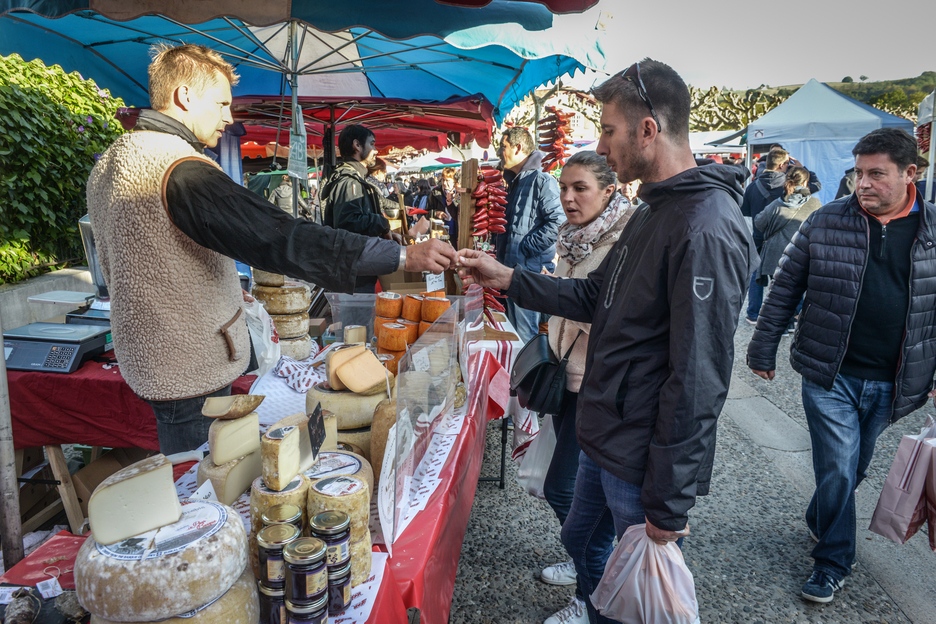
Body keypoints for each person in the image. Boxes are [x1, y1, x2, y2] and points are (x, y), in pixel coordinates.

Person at [458, 59, 756, 624]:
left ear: (650, 129)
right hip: (607, 430)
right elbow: (597, 295)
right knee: (579, 534)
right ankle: (591, 606)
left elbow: (700, 375)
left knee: (636, 592)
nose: (603, 144)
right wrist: (508, 278)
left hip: (640, 451)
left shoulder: (705, 224)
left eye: (611, 130)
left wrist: (669, 499)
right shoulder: (652, 211)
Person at [86, 43, 456, 455]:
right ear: (185, 97)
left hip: (148, 357)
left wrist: (217, 285)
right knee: (200, 482)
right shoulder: (180, 168)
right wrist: (403, 256)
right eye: (222, 103)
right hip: (186, 366)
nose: (229, 117)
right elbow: (280, 236)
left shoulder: (111, 159)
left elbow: (149, 257)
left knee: (183, 471)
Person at [746, 127, 936, 604]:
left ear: (910, 174)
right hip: (829, 374)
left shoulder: (933, 228)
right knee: (836, 466)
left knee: (853, 469)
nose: (863, 183)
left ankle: (820, 517)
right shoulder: (827, 219)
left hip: (893, 381)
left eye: (877, 174)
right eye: (858, 173)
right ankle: (832, 562)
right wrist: (761, 348)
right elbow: (785, 287)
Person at [538, 151, 634, 624]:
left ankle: (591, 588)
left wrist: (542, 290)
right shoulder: (573, 237)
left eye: (580, 188)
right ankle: (585, 561)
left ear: (609, 190)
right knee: (574, 493)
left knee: (563, 489)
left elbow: (603, 309)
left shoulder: (624, 240)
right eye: (563, 188)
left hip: (596, 383)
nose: (569, 198)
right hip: (565, 373)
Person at [495, 126, 564, 343]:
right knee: (514, 334)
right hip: (512, 272)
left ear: (518, 147)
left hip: (528, 273)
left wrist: (526, 247)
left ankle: (529, 378)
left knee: (526, 336)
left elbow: (559, 222)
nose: (499, 152)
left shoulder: (542, 180)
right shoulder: (515, 182)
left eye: (503, 146)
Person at [740, 148, 821, 324]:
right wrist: (802, 167)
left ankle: (753, 313)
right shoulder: (788, 185)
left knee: (756, 275)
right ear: (783, 164)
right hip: (786, 239)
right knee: (789, 278)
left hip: (758, 237)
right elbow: (816, 185)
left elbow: (745, 214)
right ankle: (791, 316)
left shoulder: (753, 186)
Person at [321, 124, 405, 293]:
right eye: (372, 144)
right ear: (357, 145)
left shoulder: (355, 178)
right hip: (353, 273)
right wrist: (382, 223)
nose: (375, 150)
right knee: (356, 319)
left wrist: (383, 231)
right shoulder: (349, 181)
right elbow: (348, 222)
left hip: (356, 269)